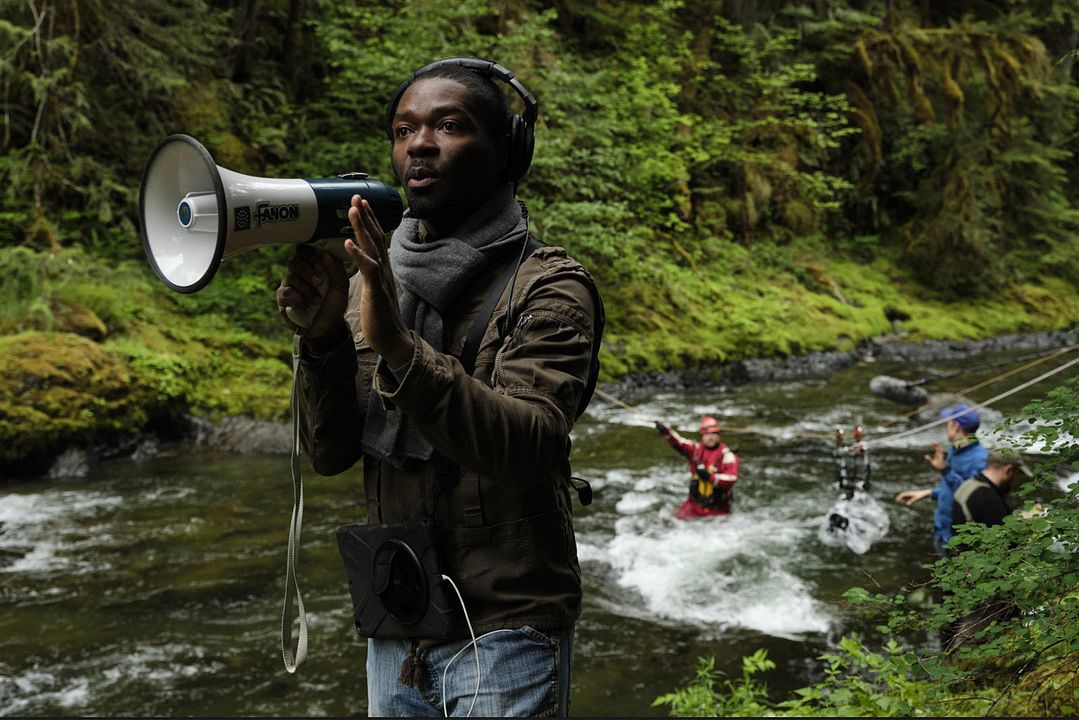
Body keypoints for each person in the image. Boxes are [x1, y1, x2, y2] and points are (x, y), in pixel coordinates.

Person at [274, 57, 602, 717]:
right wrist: (324, 339)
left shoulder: (549, 287)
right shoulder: (371, 281)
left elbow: (529, 443)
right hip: (399, 624)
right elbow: (331, 453)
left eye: (448, 126)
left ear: (508, 150)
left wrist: (399, 347)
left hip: (507, 628)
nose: (420, 144)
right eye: (405, 130)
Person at [943, 450, 1029, 651]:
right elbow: (1005, 546)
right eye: (1016, 474)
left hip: (960, 569)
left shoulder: (968, 486)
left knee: (955, 631)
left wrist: (1016, 519)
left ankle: (951, 661)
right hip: (983, 582)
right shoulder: (990, 500)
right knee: (974, 638)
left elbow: (983, 526)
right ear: (1008, 470)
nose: (1015, 480)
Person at [895, 404, 988, 555]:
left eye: (948, 423)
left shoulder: (980, 459)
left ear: (956, 427)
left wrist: (944, 469)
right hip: (942, 529)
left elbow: (972, 497)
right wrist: (928, 493)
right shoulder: (956, 448)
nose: (946, 428)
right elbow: (952, 488)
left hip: (958, 537)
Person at [655, 416, 740, 519]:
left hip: (717, 509)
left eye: (713, 434)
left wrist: (710, 477)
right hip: (693, 505)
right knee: (671, 520)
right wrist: (665, 431)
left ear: (718, 435)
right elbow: (678, 442)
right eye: (707, 434)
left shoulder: (727, 455)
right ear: (702, 435)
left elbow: (732, 478)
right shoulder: (695, 450)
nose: (710, 437)